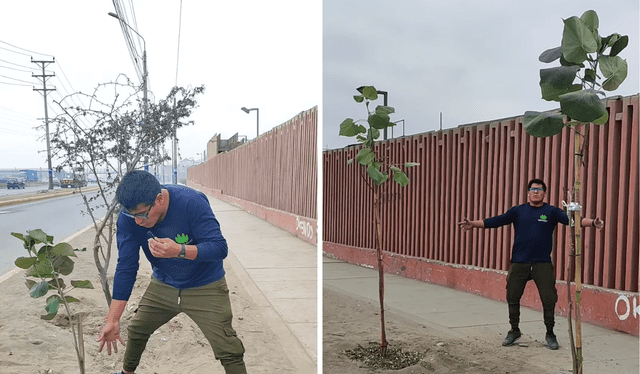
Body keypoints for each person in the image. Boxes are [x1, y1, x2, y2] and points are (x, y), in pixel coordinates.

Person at [97, 170, 246, 374]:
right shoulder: (129, 219)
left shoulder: (191, 202)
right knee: (137, 330)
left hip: (206, 285)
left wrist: (180, 250)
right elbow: (126, 267)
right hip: (163, 284)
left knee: (229, 349)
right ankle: (126, 373)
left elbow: (219, 248)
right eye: (132, 216)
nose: (138, 222)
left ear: (159, 199)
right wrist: (112, 319)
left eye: (142, 214)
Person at [458, 178, 603, 350]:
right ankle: (514, 330)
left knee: (549, 300)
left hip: (542, 263)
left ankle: (550, 333)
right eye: (533, 189)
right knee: (512, 296)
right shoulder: (518, 211)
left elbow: (572, 221)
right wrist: (473, 224)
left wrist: (593, 223)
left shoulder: (551, 211)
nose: (536, 192)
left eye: (539, 189)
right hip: (520, 262)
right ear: (528, 193)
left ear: (544, 193)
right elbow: (496, 221)